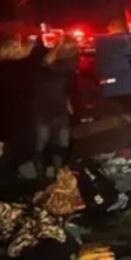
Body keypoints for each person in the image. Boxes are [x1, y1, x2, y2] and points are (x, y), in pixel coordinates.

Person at [30, 35, 79, 180]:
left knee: (61, 145)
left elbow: (69, 86)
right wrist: (57, 47)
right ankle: (42, 178)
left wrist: (70, 103)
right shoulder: (46, 61)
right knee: (42, 145)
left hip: (58, 109)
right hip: (44, 109)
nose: (72, 50)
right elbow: (47, 64)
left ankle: (58, 177)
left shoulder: (67, 64)